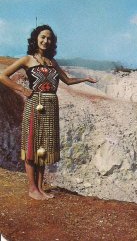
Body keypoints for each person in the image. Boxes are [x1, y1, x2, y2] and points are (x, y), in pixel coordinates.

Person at [0, 24, 97, 200]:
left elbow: (67, 80)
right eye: (43, 37)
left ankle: (40, 187)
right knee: (32, 146)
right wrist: (21, 90)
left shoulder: (53, 63)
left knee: (43, 148)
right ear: (36, 38)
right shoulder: (27, 60)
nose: (46, 41)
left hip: (51, 106)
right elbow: (2, 76)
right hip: (34, 104)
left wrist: (85, 78)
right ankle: (32, 189)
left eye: (49, 38)